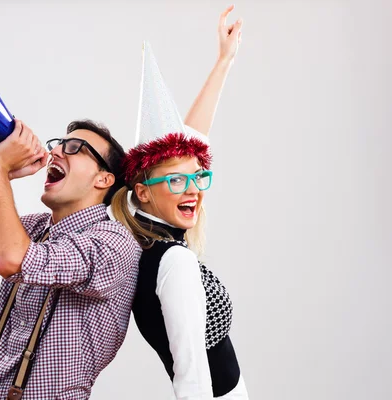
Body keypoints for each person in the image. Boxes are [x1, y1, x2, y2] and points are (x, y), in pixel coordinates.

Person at [0, 118, 141, 399]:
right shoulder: (34, 229)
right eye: (58, 144)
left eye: (75, 147)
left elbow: (14, 260)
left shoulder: (115, 242)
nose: (57, 151)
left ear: (103, 179)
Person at [111, 6, 248, 399]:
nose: (194, 189)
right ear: (144, 191)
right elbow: (190, 373)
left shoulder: (148, 233)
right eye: (177, 181)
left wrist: (224, 60)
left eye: (198, 177)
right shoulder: (174, 261)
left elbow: (190, 142)